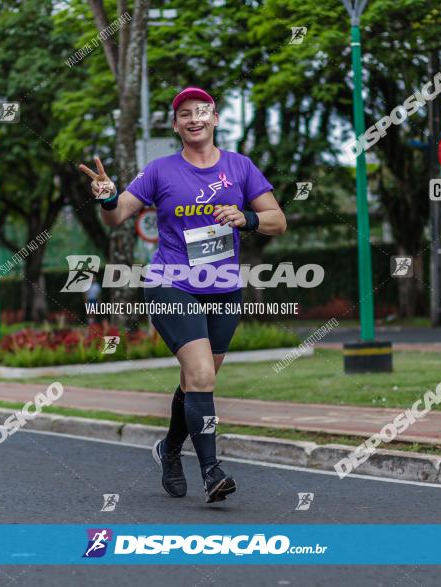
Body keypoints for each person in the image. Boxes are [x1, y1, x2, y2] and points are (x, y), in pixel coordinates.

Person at [78, 87, 286, 504]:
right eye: (185, 114)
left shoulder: (241, 167)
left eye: (202, 111)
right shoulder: (159, 170)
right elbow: (119, 214)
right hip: (171, 282)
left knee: (197, 381)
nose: (194, 118)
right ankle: (212, 471)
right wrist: (107, 196)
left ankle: (169, 449)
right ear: (176, 126)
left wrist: (246, 217)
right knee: (202, 376)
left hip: (224, 289)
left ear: (214, 119)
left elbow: (277, 220)